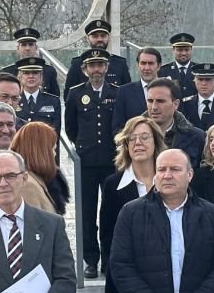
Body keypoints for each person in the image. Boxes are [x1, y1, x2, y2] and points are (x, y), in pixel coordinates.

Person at [109, 149, 214, 293]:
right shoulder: (130, 213)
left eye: (175, 169)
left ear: (190, 175)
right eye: (161, 170)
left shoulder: (212, 215)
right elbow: (121, 264)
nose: (167, 175)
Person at [0, 151, 76, 293]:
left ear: (24, 178)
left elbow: (66, 279)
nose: (3, 183)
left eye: (10, 176)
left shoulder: (52, 225)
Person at [64, 47, 120, 279]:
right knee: (86, 215)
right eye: (92, 66)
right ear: (85, 69)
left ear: (106, 68)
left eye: (100, 65)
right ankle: (90, 260)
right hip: (86, 163)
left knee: (110, 212)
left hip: (111, 161)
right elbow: (71, 128)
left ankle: (108, 259)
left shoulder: (117, 93)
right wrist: (82, 147)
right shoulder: (76, 94)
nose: (96, 70)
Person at [101, 116, 167, 292]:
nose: (138, 142)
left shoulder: (170, 181)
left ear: (156, 142)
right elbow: (108, 236)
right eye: (132, 138)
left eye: (144, 137)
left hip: (166, 275)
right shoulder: (113, 185)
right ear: (126, 145)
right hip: (126, 277)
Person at [7, 121, 68, 214]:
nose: (54, 154)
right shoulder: (26, 186)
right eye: (53, 149)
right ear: (42, 151)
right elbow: (33, 225)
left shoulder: (36, 178)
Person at [145, 78, 206, 167]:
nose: (154, 107)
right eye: (150, 101)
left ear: (176, 104)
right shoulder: (132, 136)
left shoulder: (198, 138)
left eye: (160, 101)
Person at [63, 19, 132, 95]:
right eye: (95, 36)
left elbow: (128, 95)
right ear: (87, 39)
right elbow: (68, 96)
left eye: (103, 36)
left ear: (108, 37)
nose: (99, 39)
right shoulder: (77, 64)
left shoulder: (120, 64)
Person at [112, 47, 163, 133]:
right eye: (143, 63)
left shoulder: (169, 90)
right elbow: (117, 127)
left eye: (151, 63)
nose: (146, 68)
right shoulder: (124, 92)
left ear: (158, 66)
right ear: (137, 65)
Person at [0, 28, 60, 96]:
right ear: (17, 48)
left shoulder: (49, 71)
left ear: (36, 47)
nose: (27, 48)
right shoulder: (7, 72)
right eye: (24, 45)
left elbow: (55, 98)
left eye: (31, 44)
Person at [15, 59, 61, 135]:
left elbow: (56, 132)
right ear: (20, 77)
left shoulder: (53, 101)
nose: (31, 76)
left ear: (41, 77)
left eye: (35, 72)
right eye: (26, 73)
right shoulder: (14, 100)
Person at [179, 63, 214, 130]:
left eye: (208, 79)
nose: (204, 83)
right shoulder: (186, 104)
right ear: (194, 81)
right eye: (200, 79)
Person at [158, 31, 199, 97]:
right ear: (173, 50)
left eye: (187, 50)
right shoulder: (163, 71)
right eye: (180, 50)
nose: (183, 53)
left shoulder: (199, 70)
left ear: (191, 50)